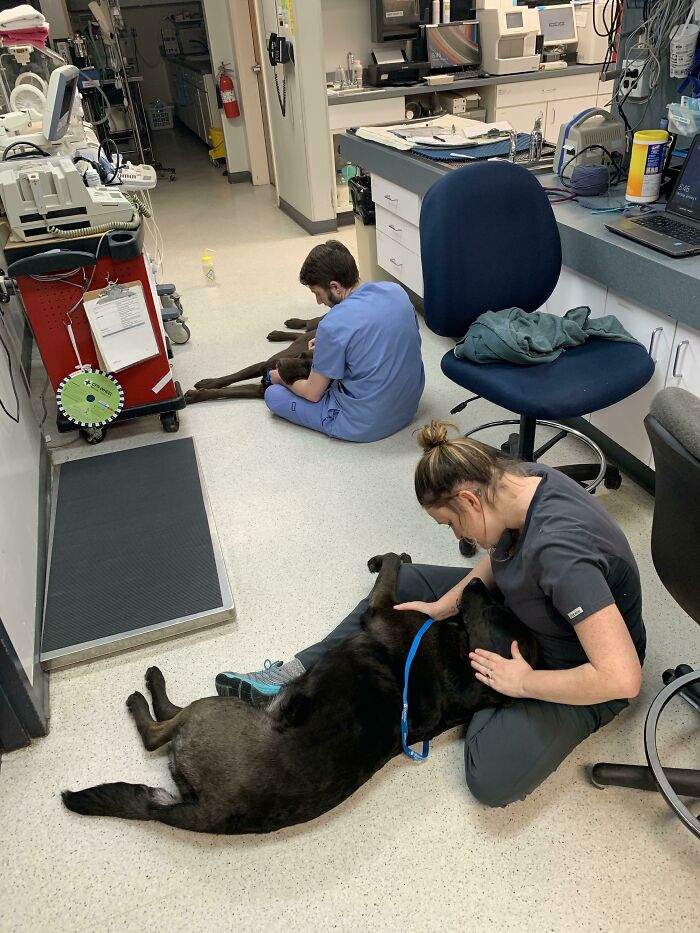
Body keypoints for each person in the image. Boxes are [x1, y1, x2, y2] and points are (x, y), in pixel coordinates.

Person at [215, 422, 645, 808]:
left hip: (577, 664)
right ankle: (296, 673)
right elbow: (502, 555)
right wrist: (448, 604)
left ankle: (482, 688)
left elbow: (621, 677)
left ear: (469, 500)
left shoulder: (561, 556)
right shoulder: (519, 482)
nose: (458, 536)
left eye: (452, 524)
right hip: (525, 607)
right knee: (403, 584)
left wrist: (521, 682)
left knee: (492, 779)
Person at [263, 240, 425, 443]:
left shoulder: (333, 324)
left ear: (335, 287)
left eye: (317, 293)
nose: (318, 301)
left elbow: (313, 393)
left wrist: (282, 378)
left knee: (273, 395)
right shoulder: (396, 291)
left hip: (364, 423)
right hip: (408, 408)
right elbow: (388, 336)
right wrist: (327, 343)